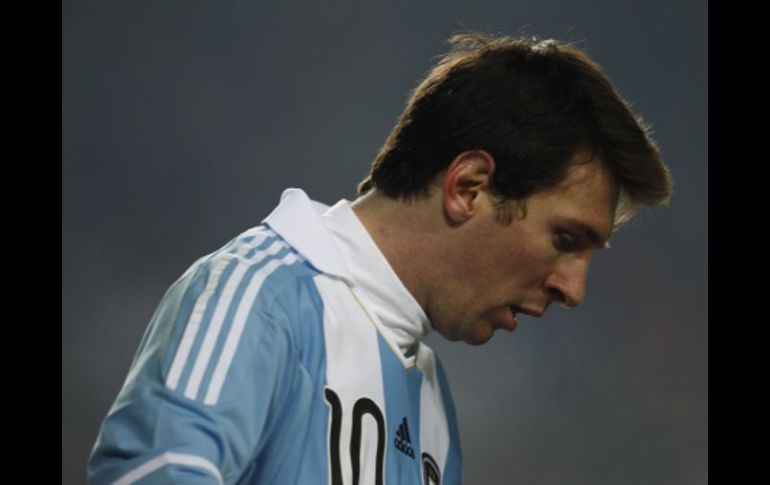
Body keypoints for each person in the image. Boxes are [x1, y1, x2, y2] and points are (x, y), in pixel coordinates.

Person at [88, 32, 672, 484]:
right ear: (468, 186)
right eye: (566, 240)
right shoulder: (260, 297)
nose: (574, 288)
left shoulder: (433, 402)